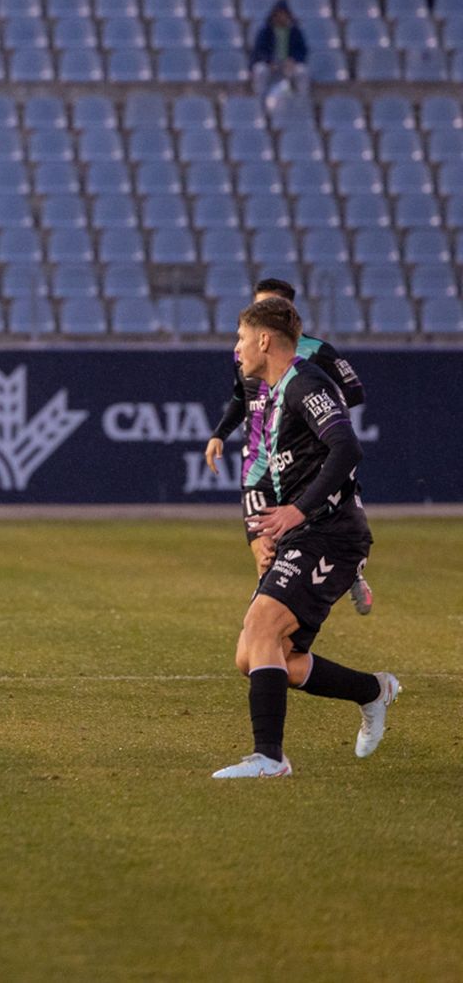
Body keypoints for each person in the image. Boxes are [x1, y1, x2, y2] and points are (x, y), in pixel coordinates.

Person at [210, 297, 399, 779]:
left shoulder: (305, 383)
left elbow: (347, 446)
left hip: (331, 535)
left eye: (240, 338)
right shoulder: (272, 394)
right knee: (258, 657)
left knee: (264, 631)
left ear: (264, 340)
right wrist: (264, 527)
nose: (237, 349)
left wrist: (297, 510)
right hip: (305, 534)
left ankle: (270, 758)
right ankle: (373, 691)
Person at [205, 279, 371, 610]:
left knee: (323, 521)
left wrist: (319, 414)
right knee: (263, 551)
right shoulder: (246, 357)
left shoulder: (310, 362)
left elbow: (353, 396)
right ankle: (267, 611)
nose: (238, 347)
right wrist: (219, 433)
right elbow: (240, 397)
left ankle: (342, 573)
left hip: (302, 462)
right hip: (259, 461)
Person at [249, 0, 308, 113]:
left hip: (289, 65)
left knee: (302, 72)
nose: (281, 17)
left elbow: (302, 50)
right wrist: (269, 61)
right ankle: (260, 106)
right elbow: (259, 51)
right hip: (271, 65)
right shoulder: (265, 32)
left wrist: (293, 61)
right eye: (278, 14)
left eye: (283, 14)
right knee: (260, 70)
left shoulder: (295, 32)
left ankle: (302, 106)